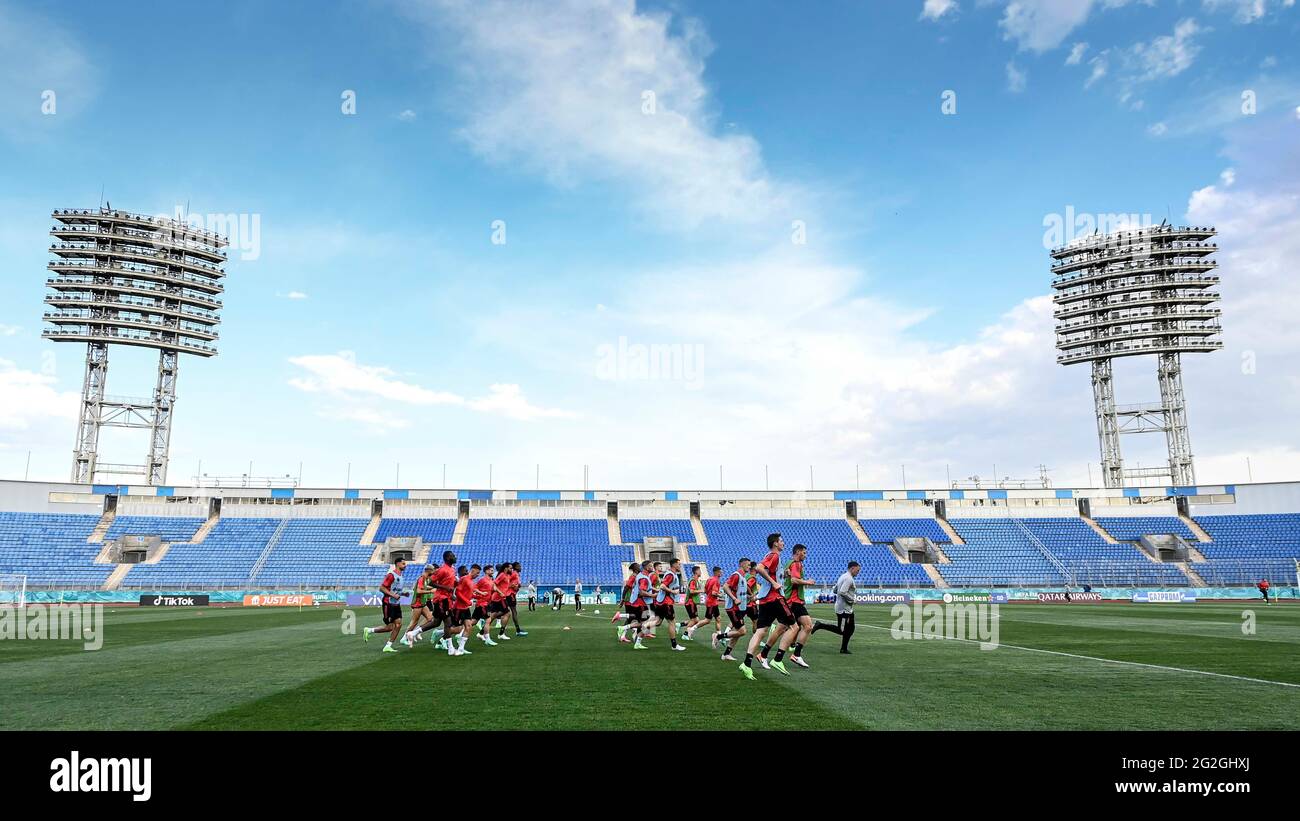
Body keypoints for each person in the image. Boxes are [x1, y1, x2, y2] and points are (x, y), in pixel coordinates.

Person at [740, 533, 796, 680]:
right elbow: (759, 568)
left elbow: (768, 570)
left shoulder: (772, 557)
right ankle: (777, 659)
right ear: (776, 543)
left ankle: (747, 663)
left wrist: (783, 574)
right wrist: (774, 582)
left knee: (761, 631)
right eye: (781, 541)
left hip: (764, 599)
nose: (783, 543)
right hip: (775, 597)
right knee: (794, 627)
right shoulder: (774, 555)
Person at [811, 561, 859, 654]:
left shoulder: (842, 576)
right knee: (842, 630)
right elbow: (842, 592)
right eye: (857, 570)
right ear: (852, 568)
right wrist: (852, 599)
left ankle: (844, 648)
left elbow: (835, 590)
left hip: (844, 608)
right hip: (844, 609)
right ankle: (820, 625)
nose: (858, 572)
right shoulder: (849, 579)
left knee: (850, 629)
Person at [782, 544, 817, 669]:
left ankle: (765, 655)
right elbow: (794, 580)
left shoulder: (788, 563)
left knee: (792, 628)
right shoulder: (796, 563)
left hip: (791, 600)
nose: (805, 555)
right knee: (808, 626)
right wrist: (808, 582)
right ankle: (796, 654)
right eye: (804, 553)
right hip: (794, 600)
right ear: (798, 552)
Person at [362, 558, 407, 652]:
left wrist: (403, 594)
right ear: (398, 564)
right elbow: (382, 588)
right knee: (390, 627)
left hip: (396, 604)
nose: (405, 565)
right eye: (403, 563)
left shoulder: (401, 577)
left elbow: (395, 590)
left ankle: (388, 646)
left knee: (398, 625)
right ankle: (369, 630)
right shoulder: (391, 575)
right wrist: (393, 595)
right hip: (388, 603)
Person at [716, 559, 751, 661]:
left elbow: (739, 592)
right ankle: (718, 636)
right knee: (742, 631)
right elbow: (725, 587)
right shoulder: (736, 575)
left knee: (738, 633)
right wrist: (734, 599)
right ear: (742, 564)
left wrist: (748, 597)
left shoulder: (743, 577)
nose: (749, 567)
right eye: (748, 565)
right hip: (733, 608)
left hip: (739, 608)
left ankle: (726, 654)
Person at [653, 558, 686, 651]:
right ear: (674, 565)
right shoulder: (671, 575)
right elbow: (662, 586)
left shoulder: (672, 574)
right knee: (671, 622)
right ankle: (674, 645)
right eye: (679, 564)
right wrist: (673, 591)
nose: (680, 566)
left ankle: (637, 627)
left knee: (658, 622)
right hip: (666, 602)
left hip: (662, 602)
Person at [507, 562, 528, 636]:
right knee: (512, 611)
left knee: (504, 612)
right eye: (519, 566)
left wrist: (518, 585)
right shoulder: (514, 573)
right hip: (510, 594)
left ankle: (518, 630)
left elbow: (516, 584)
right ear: (515, 567)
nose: (521, 568)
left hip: (512, 594)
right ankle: (518, 630)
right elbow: (506, 582)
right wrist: (512, 586)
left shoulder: (517, 574)